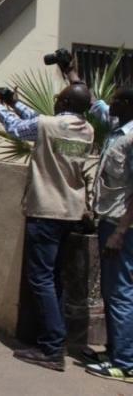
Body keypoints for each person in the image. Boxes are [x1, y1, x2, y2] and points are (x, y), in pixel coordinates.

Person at [0, 80, 94, 371]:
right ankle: (55, 342)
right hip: (70, 212)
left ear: (63, 104)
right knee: (54, 280)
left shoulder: (48, 126)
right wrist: (14, 102)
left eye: (59, 98)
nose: (56, 101)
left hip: (46, 211)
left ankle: (51, 350)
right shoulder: (87, 130)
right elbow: (39, 121)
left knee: (41, 279)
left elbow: (17, 128)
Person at [66, 65, 133, 382]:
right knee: (113, 291)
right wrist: (72, 75)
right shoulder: (119, 128)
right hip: (111, 220)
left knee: (120, 293)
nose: (112, 104)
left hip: (123, 226)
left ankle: (126, 363)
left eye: (118, 101)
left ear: (129, 106)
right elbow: (95, 103)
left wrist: (120, 232)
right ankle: (116, 349)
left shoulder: (131, 138)